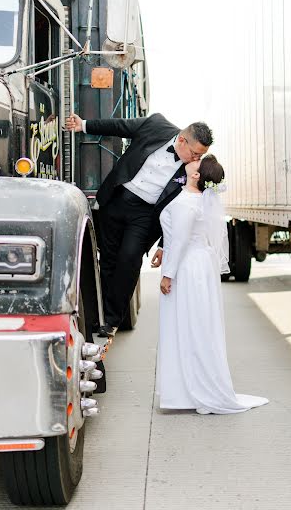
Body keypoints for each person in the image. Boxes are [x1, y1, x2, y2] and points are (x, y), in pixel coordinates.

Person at [65, 112, 213, 336]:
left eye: (200, 156)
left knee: (129, 260)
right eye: (194, 153)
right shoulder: (156, 125)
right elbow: (121, 126)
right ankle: (99, 316)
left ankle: (112, 319)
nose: (196, 160)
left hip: (145, 215)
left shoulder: (192, 170)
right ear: (182, 140)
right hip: (117, 200)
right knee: (107, 259)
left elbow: (183, 208)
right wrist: (84, 124)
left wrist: (164, 244)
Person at [158, 155, 269, 414]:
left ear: (196, 176)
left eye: (197, 163)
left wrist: (168, 275)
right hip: (199, 265)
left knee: (188, 326)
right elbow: (181, 236)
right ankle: (188, 390)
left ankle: (190, 392)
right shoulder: (196, 201)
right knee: (197, 326)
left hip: (188, 268)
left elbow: (183, 239)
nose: (193, 160)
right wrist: (163, 250)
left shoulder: (186, 202)